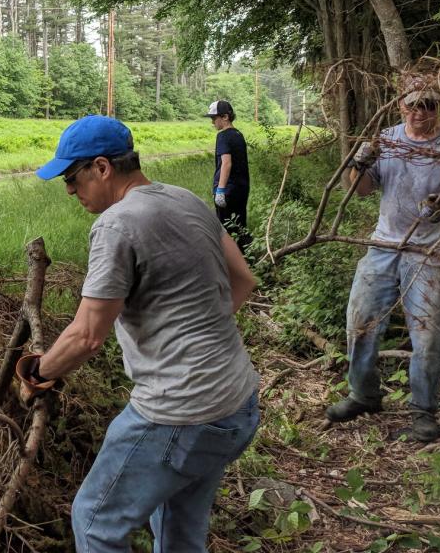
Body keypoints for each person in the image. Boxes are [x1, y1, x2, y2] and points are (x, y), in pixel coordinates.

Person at [17, 115, 260, 553]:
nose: (69, 191)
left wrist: (37, 373)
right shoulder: (187, 200)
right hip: (236, 403)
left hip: (179, 412)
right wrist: (196, 332)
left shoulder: (117, 224)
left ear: (102, 168)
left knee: (95, 522)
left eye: (72, 178)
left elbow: (87, 336)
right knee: (180, 529)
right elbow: (243, 280)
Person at [325, 79, 440, 442]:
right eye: (413, 105)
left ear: (439, 107)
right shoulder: (386, 140)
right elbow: (362, 189)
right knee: (360, 320)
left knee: (429, 332)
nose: (420, 112)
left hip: (434, 250)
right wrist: (359, 165)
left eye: (428, 105)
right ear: (400, 105)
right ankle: (363, 394)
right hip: (384, 245)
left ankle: (423, 411)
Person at [205, 100, 251, 252]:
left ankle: (229, 260)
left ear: (225, 117)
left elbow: (226, 163)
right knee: (240, 224)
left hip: (227, 191)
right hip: (241, 189)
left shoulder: (223, 136)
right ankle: (247, 257)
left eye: (214, 118)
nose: (212, 122)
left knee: (225, 230)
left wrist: (220, 190)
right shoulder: (238, 134)